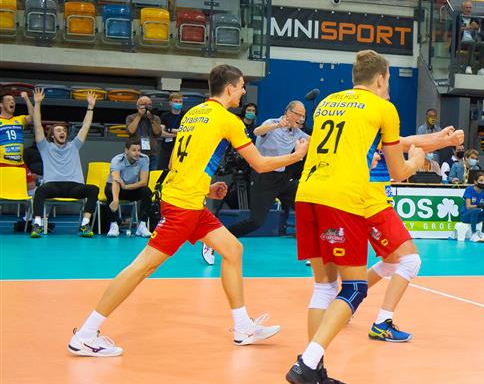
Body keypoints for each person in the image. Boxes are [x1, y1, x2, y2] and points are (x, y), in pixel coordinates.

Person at [68, 65, 305, 358]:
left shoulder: (194, 114)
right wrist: (296, 155)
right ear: (229, 88)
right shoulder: (228, 120)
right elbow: (259, 163)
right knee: (141, 267)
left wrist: (206, 188)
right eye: (242, 86)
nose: (244, 91)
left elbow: (178, 163)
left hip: (189, 200)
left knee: (233, 249)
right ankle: (87, 333)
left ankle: (243, 327)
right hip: (183, 207)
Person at [286, 50, 426, 384]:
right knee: (354, 288)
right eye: (389, 80)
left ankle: (315, 374)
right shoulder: (383, 108)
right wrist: (416, 160)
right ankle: (306, 364)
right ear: (380, 78)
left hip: (307, 193)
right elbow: (397, 172)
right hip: (341, 198)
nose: (388, 86)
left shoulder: (329, 102)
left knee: (324, 287)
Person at [360, 126, 463, 347]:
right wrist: (445, 142)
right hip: (374, 204)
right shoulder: (372, 131)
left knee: (391, 262)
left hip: (370, 202)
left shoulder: (368, 131)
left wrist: (441, 138)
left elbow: (407, 140)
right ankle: (382, 323)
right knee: (411, 261)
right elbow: (408, 147)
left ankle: (347, 299)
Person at [227, 100, 309, 238]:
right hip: (263, 178)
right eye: (298, 115)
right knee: (255, 222)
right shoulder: (271, 123)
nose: (301, 119)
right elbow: (257, 131)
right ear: (288, 113)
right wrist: (277, 125)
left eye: (304, 116)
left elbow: (314, 140)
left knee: (306, 206)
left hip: (282, 179)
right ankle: (222, 238)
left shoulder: (297, 132)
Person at [25, 89, 98, 238]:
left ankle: (85, 224)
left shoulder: (74, 145)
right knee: (40, 191)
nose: (62, 132)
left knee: (93, 189)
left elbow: (85, 127)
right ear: (52, 135)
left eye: (64, 130)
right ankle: (37, 224)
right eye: (58, 130)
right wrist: (37, 103)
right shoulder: (45, 146)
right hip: (53, 185)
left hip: (74, 186)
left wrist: (90, 107)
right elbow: (37, 125)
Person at [105, 139, 153, 238]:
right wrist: (116, 200)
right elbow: (116, 181)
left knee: (146, 191)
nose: (137, 153)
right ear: (126, 150)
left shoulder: (144, 159)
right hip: (117, 188)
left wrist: (126, 187)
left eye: (139, 150)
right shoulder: (117, 160)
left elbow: (143, 182)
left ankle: (142, 226)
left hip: (130, 188)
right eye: (134, 150)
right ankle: (114, 225)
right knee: (109, 190)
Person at [1, 93, 31, 176]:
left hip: (19, 162)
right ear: (1, 104)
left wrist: (27, 99)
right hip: (3, 163)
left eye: (13, 100)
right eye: (8, 100)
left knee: (31, 183)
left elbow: (33, 116)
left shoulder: (20, 119)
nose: (12, 102)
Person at [460, 173, 484, 242]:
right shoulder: (469, 189)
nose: (483, 182)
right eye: (481, 180)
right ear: (475, 182)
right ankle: (473, 234)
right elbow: (468, 207)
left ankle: (483, 233)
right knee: (475, 210)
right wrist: (478, 205)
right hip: (466, 216)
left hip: (477, 217)